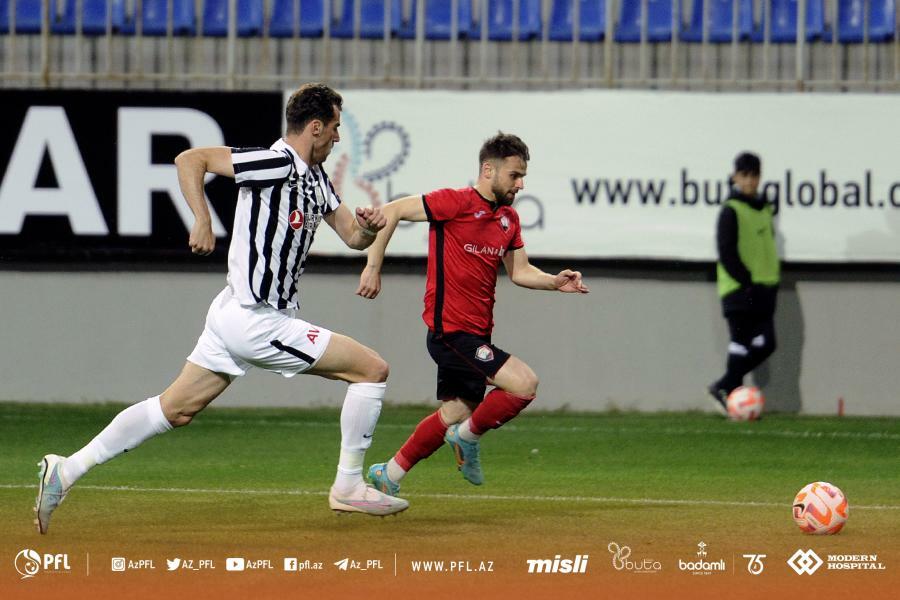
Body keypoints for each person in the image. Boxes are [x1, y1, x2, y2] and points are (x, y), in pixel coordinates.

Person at [34, 83, 409, 534]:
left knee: (175, 409)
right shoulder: (275, 163)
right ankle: (348, 486)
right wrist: (202, 217)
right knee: (371, 370)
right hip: (256, 319)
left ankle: (65, 470)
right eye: (333, 127)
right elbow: (190, 159)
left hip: (236, 313)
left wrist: (370, 229)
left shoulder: (315, 179)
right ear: (314, 127)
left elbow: (352, 236)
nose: (337, 136)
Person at [355, 132, 589, 497]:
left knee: (456, 411)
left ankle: (390, 473)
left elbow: (520, 271)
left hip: (476, 334)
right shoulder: (454, 203)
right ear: (488, 170)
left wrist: (554, 282)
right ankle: (466, 439)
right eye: (514, 175)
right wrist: (372, 267)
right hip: (449, 332)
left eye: (523, 176)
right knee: (524, 384)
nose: (521, 184)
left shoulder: (508, 219)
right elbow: (392, 210)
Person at [708, 152, 780, 412]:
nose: (750, 181)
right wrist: (745, 281)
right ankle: (730, 394)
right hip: (739, 289)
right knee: (740, 342)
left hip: (764, 287)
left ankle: (726, 389)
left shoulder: (764, 208)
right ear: (736, 177)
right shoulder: (731, 210)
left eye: (754, 175)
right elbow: (726, 251)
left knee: (766, 343)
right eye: (745, 175)